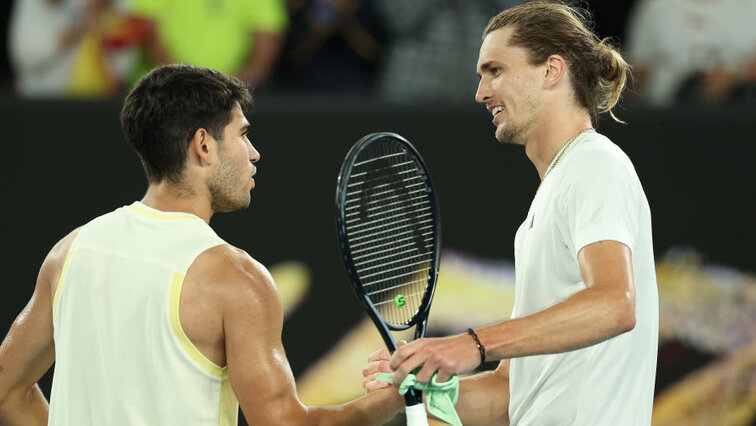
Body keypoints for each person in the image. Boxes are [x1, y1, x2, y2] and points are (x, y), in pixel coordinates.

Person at [0, 64, 402, 425]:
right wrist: (390, 399)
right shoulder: (236, 278)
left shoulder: (70, 252)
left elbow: (7, 390)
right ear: (204, 145)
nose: (254, 153)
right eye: (242, 134)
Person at [362, 2, 659, 425]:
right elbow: (508, 396)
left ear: (551, 70)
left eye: (495, 71)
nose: (480, 92)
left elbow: (615, 303)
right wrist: (423, 386)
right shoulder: (554, 191)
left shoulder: (594, 164)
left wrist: (472, 344)